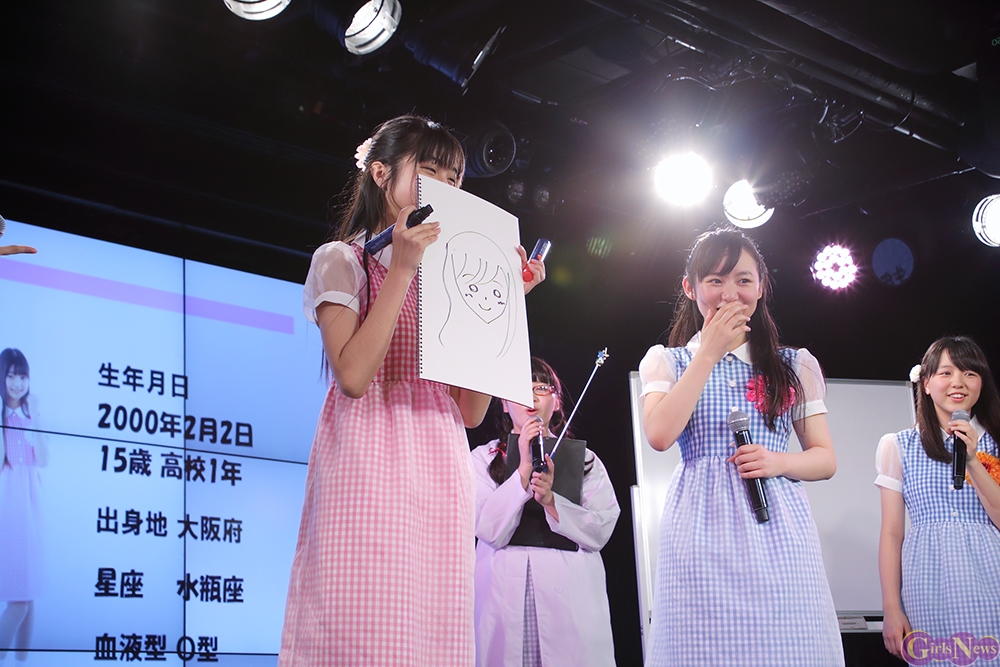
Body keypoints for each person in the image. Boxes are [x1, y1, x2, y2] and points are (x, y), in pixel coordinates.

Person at [278, 115, 545, 667]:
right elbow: (354, 377)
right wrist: (402, 267)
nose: (445, 189)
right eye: (430, 172)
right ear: (381, 174)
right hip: (369, 455)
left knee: (429, 629)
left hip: (439, 462)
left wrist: (504, 306)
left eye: (455, 179)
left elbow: (469, 412)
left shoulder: (447, 279)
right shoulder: (342, 260)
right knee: (361, 622)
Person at [638, 228, 844, 666]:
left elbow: (824, 459)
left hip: (777, 530)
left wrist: (777, 461)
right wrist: (707, 354)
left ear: (761, 287)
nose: (730, 293)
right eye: (715, 280)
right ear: (690, 288)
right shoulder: (667, 361)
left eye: (743, 280)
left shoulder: (794, 364)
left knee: (786, 647)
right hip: (701, 529)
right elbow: (659, 435)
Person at [471, 357, 619, 667]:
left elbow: (600, 529)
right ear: (504, 403)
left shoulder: (586, 460)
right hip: (503, 597)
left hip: (569, 600)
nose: (532, 397)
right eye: (520, 389)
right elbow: (486, 528)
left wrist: (552, 501)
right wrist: (523, 470)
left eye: (541, 388)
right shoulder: (482, 458)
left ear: (557, 401)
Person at [876, 336, 1000, 660]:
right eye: (946, 373)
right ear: (927, 383)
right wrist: (891, 607)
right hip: (927, 579)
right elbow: (892, 533)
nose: (958, 382)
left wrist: (972, 460)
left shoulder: (994, 443)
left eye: (970, 373)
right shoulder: (898, 445)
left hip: (991, 575)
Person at [0, 348, 47, 663]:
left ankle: (21, 663)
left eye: (23, 376)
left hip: (31, 510)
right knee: (18, 603)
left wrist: (37, 415)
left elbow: (43, 460)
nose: (18, 383)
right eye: (11, 375)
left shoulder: (31, 416)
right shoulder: (3, 418)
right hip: (9, 510)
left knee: (28, 601)